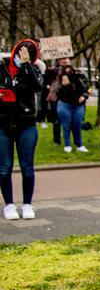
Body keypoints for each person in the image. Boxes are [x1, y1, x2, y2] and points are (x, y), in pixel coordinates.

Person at [1, 40, 43, 221]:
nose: (22, 56)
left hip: (26, 124)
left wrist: (27, 65)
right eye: (20, 53)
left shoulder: (33, 70)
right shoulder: (2, 67)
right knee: (4, 167)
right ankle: (9, 205)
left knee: (27, 166)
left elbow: (37, 87)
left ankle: (27, 204)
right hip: (3, 123)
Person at [55, 63, 89, 153]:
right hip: (65, 103)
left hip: (78, 104)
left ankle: (79, 145)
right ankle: (67, 145)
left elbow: (86, 88)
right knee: (66, 125)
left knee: (77, 124)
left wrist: (84, 96)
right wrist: (66, 85)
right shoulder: (60, 79)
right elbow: (59, 92)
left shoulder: (79, 77)